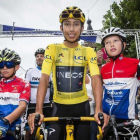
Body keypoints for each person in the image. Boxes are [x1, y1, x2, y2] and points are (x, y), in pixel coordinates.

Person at [28, 6, 109, 140]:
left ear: (82, 28)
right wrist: (38, 110)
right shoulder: (52, 48)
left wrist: (98, 109)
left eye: (76, 24)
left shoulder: (88, 51)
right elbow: (44, 78)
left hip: (82, 106)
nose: (71, 29)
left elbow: (95, 79)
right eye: (67, 24)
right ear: (61, 28)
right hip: (59, 106)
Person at [100, 27, 140, 137]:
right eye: (107, 42)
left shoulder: (135, 64)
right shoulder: (103, 69)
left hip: (127, 120)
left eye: (115, 41)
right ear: (105, 48)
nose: (111, 44)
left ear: (124, 45)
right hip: (106, 120)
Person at [0, 48, 30, 140]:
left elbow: (22, 106)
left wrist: (5, 121)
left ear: (16, 67)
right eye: (1, 65)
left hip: (14, 128)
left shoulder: (24, 83)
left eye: (9, 64)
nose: (4, 68)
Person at [24, 48, 53, 140]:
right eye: (37, 56)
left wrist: (53, 101)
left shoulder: (51, 71)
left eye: (41, 56)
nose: (39, 58)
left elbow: (54, 88)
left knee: (50, 129)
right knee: (29, 129)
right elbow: (26, 88)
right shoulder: (30, 72)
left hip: (47, 103)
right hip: (32, 103)